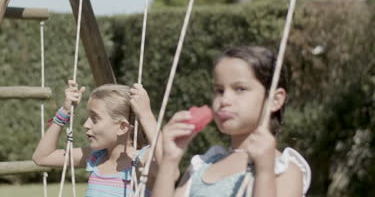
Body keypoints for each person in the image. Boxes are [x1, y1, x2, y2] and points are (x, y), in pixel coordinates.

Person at [152, 45, 311, 197]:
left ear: (275, 100)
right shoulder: (202, 166)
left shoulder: (284, 169)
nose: (224, 100)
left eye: (240, 89)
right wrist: (169, 161)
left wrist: (264, 172)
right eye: (219, 90)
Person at [33, 81, 161, 197]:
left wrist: (146, 115)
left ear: (122, 127)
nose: (86, 124)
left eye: (95, 118)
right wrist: (65, 112)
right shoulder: (95, 157)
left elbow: (170, 166)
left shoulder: (142, 161)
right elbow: (42, 157)